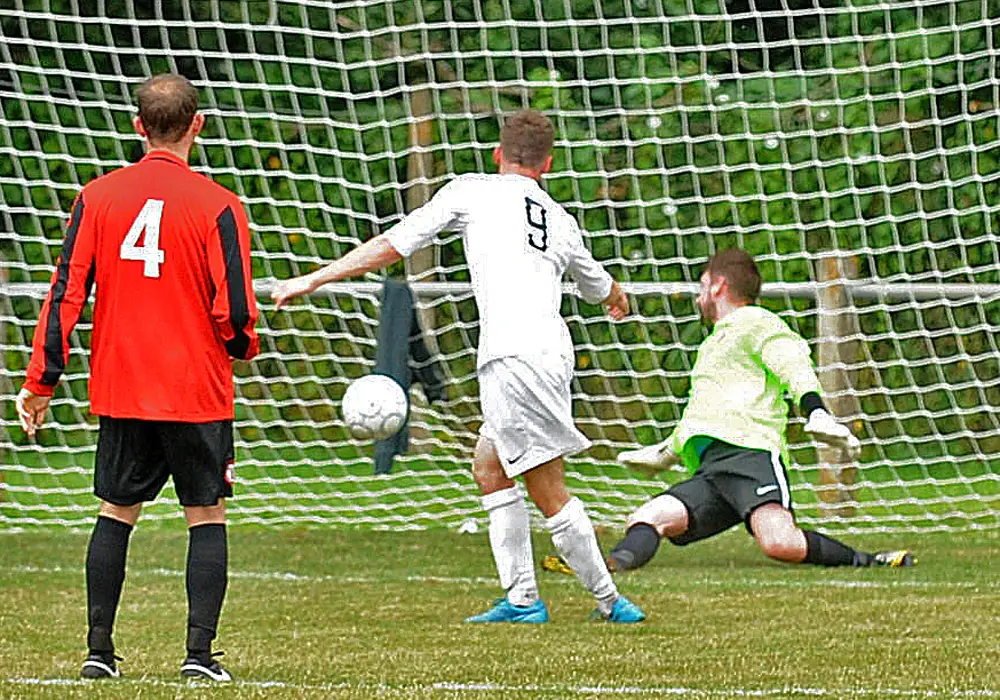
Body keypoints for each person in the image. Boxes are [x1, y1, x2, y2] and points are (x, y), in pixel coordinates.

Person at [271, 109, 645, 623]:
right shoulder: (559, 219)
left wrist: (313, 279)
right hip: (547, 355)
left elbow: (393, 245)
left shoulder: (473, 190)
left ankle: (610, 601)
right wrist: (617, 298)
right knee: (489, 468)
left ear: (498, 154)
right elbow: (601, 285)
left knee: (545, 486)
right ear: (549, 164)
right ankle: (522, 600)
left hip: (514, 358)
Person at [16, 73, 259, 681]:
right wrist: (242, 346)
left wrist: (40, 381)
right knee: (205, 515)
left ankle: (99, 652)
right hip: (195, 391)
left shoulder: (98, 197)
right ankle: (198, 658)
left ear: (138, 127)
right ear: (197, 126)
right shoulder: (220, 205)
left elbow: (65, 293)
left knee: (115, 511)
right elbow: (232, 309)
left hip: (123, 387)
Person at [606, 249, 913, 572]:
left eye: (701, 286)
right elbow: (704, 413)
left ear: (718, 286)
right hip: (712, 471)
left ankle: (869, 561)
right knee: (646, 517)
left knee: (780, 543)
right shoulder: (714, 343)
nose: (697, 298)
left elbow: (792, 363)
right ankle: (606, 567)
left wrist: (816, 411)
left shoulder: (757, 321)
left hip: (751, 459)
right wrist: (666, 453)